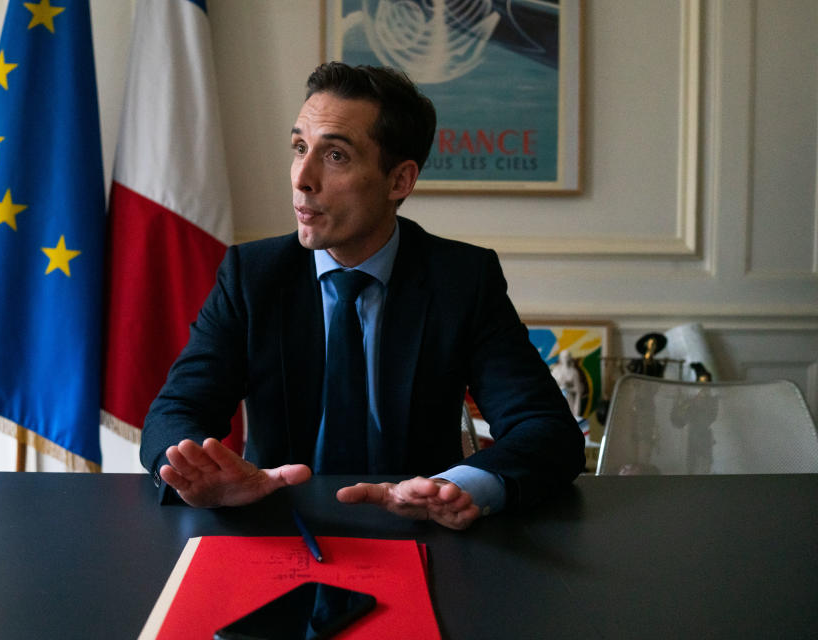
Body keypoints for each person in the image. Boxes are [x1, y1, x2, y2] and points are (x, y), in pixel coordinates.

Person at [140, 62, 585, 530]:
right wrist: (198, 476)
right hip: (280, 528)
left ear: (399, 181)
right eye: (299, 148)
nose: (301, 178)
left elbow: (546, 429)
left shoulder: (461, 280)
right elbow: (175, 413)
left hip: (423, 533)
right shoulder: (251, 276)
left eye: (335, 156)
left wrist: (460, 487)